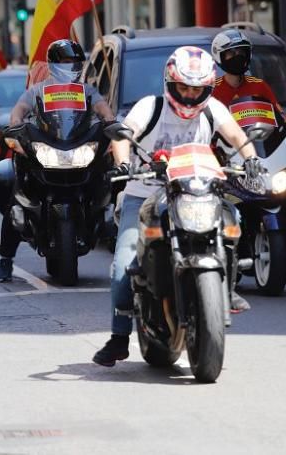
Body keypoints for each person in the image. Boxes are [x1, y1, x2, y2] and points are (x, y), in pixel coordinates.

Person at [92, 46, 263, 366]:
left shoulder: (213, 108)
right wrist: (123, 162)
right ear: (170, 83)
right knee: (123, 266)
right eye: (183, 87)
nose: (189, 95)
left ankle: (227, 284)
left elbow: (237, 136)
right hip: (145, 194)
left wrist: (252, 159)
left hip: (198, 191)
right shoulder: (150, 106)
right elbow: (122, 136)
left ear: (208, 88)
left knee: (233, 217)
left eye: (197, 89)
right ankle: (118, 337)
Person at [0, 39, 116, 280]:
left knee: (114, 180)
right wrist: (15, 125)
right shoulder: (39, 90)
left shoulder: (87, 91)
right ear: (53, 64)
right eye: (65, 62)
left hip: (76, 147)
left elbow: (104, 110)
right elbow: (20, 109)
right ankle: (6, 259)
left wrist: (112, 123)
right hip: (46, 149)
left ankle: (124, 252)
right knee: (16, 199)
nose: (70, 66)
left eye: (74, 62)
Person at [210, 29, 286, 290]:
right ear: (220, 58)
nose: (237, 58)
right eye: (230, 54)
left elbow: (278, 119)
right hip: (228, 161)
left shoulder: (259, 85)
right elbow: (206, 126)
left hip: (261, 159)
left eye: (241, 53)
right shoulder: (212, 91)